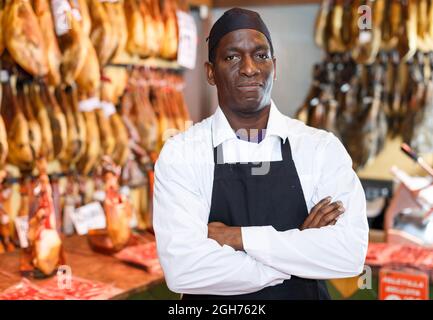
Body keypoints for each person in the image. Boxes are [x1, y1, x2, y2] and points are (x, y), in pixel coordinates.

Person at [153, 7, 369, 300]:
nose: (249, 68)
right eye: (231, 57)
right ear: (210, 73)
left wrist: (238, 237)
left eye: (260, 55)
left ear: (274, 67)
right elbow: (184, 269)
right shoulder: (182, 153)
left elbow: (349, 254)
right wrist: (295, 257)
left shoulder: (320, 148)